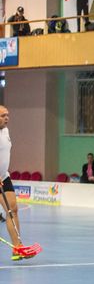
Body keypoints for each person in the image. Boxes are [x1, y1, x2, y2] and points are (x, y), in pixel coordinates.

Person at [0, 106, 36, 261]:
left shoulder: (5, 131)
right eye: (3, 115)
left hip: (4, 177)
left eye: (7, 115)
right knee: (9, 210)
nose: (7, 118)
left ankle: (17, 248)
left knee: (13, 209)